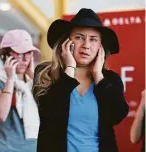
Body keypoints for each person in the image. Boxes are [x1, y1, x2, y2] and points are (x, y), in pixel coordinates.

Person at [32, 8, 129, 152]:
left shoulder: (110, 80)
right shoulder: (45, 74)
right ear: (66, 41)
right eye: (79, 37)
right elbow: (49, 115)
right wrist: (69, 68)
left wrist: (98, 75)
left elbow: (116, 116)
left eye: (93, 39)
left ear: (100, 47)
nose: (86, 45)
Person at [0, 29, 41, 152]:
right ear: (6, 55)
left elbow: (50, 113)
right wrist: (10, 79)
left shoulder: (33, 83)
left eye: (28, 53)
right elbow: (1, 114)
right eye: (19, 53)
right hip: (5, 148)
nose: (25, 59)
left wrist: (33, 76)